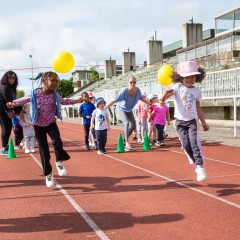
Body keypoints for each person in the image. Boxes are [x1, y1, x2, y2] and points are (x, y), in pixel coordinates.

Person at [7, 72, 83, 188]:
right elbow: (24, 99)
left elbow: (64, 101)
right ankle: (48, 174)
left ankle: (59, 162)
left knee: (57, 142)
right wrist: (13, 103)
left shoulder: (55, 94)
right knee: (44, 152)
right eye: (52, 80)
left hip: (51, 123)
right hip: (38, 125)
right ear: (44, 81)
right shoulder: (35, 94)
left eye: (56, 81)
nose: (55, 83)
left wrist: (76, 101)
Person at [161, 60, 209, 182]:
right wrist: (164, 95)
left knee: (194, 142)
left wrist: (203, 123)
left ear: (197, 77)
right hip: (179, 122)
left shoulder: (196, 91)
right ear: (181, 77)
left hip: (192, 121)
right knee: (186, 145)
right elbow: (163, 100)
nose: (189, 79)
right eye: (186, 77)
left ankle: (200, 167)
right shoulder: (177, 87)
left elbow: (198, 108)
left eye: (192, 76)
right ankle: (196, 164)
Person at [105, 75, 150, 151]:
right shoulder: (124, 91)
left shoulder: (137, 91)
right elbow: (114, 100)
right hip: (121, 109)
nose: (132, 84)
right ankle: (127, 143)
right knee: (126, 123)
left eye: (134, 82)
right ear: (128, 83)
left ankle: (124, 139)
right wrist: (106, 107)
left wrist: (150, 103)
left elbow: (142, 98)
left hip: (129, 110)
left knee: (133, 125)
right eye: (131, 82)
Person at [0, 70, 22, 155]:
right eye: (10, 77)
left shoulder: (11, 87)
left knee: (7, 128)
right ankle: (4, 148)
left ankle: (5, 146)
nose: (12, 79)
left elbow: (14, 101)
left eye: (14, 77)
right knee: (6, 128)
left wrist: (19, 109)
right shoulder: (4, 87)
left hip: (6, 110)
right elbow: (9, 102)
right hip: (2, 111)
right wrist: (19, 113)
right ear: (6, 78)